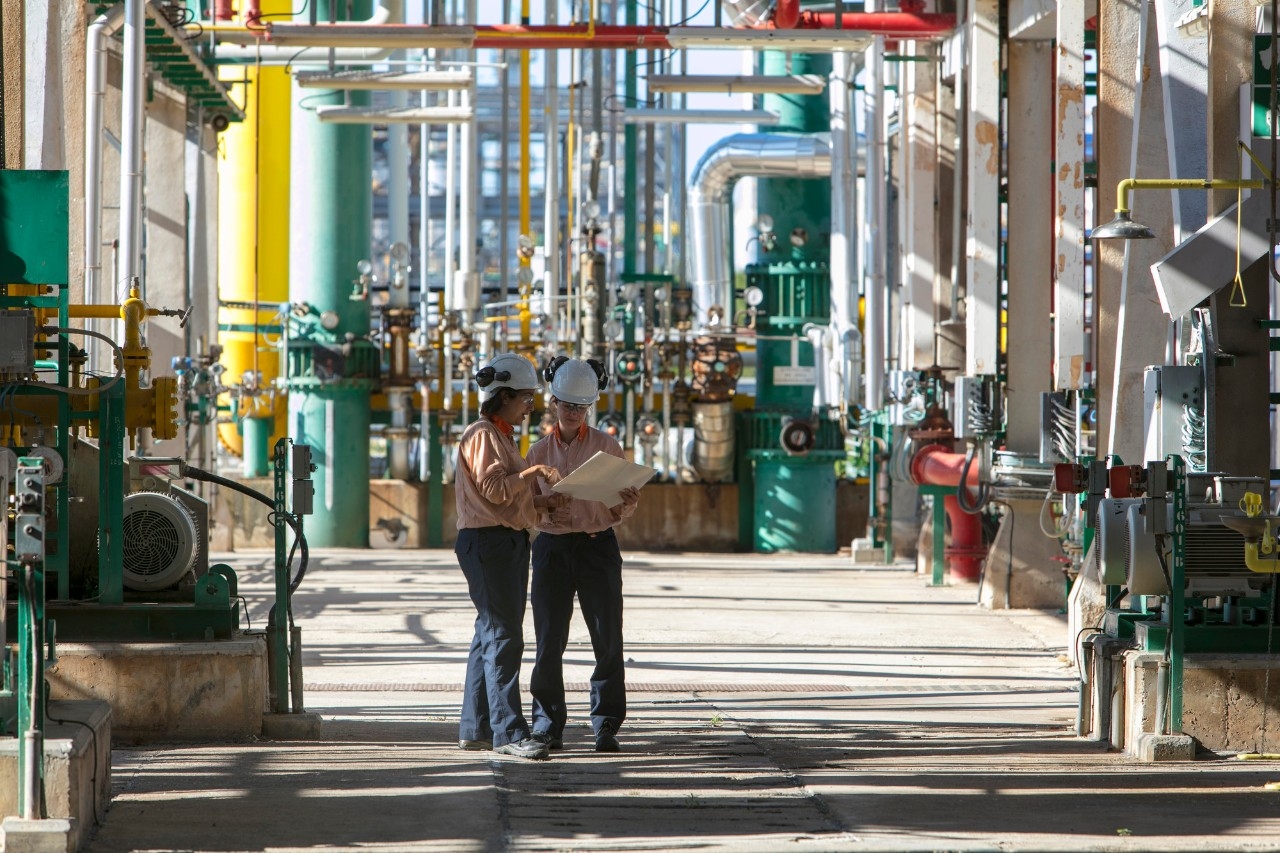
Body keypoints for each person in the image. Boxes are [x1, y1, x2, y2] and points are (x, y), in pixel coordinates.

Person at [526, 356, 641, 753]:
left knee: (607, 636)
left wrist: (626, 501)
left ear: (589, 407)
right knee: (548, 639)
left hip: (597, 546)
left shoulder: (608, 447)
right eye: (566, 404)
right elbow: (527, 505)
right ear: (553, 402)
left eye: (580, 407)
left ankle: (606, 724)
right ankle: (546, 724)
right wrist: (544, 507)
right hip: (552, 548)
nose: (573, 413)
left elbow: (618, 508)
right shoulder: (537, 452)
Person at [454, 353, 561, 760]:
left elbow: (508, 499)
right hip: (490, 543)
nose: (529, 407)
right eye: (525, 399)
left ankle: (477, 727)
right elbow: (496, 491)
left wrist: (546, 506)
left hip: (502, 540)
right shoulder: (483, 434)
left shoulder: (500, 435)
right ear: (502, 397)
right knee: (504, 637)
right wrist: (536, 474)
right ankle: (510, 733)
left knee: (488, 634)